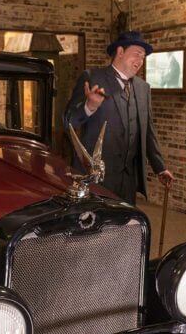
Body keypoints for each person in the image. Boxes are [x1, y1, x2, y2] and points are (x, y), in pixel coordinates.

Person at [64, 31, 173, 204]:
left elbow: (148, 131)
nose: (140, 60)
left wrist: (160, 167)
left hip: (128, 180)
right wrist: (89, 107)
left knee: (125, 228)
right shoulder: (92, 78)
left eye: (143, 57)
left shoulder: (143, 88)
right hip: (96, 178)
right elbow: (68, 121)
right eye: (137, 54)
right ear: (120, 51)